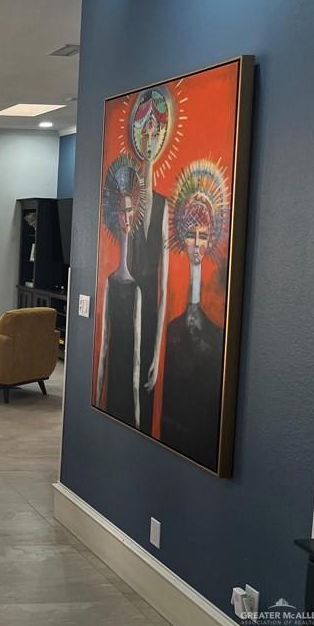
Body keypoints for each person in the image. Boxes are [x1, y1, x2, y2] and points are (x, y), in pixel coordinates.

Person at [161, 160, 228, 470]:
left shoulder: (216, 335)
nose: (198, 244)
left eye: (204, 235)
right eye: (191, 235)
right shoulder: (172, 330)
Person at [127, 87, 172, 434]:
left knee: (145, 383)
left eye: (155, 133)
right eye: (144, 132)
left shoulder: (164, 206)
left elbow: (167, 287)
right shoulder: (126, 203)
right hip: (125, 304)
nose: (150, 139)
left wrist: (158, 350)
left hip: (151, 306)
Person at [95, 154, 146, 428]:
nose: (126, 218)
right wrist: (97, 393)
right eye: (122, 212)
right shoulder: (110, 281)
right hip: (113, 371)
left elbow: (138, 356)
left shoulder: (136, 288)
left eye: (130, 211)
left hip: (128, 375)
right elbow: (103, 346)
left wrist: (138, 415)